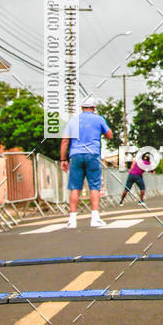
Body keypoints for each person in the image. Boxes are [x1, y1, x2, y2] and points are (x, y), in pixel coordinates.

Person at [61, 95, 113, 228]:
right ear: (94, 108)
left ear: (82, 107)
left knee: (75, 187)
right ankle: (95, 217)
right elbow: (110, 135)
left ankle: (72, 220)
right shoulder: (99, 119)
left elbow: (65, 140)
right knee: (94, 186)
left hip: (76, 155)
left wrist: (63, 159)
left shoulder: (73, 121)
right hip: (92, 154)